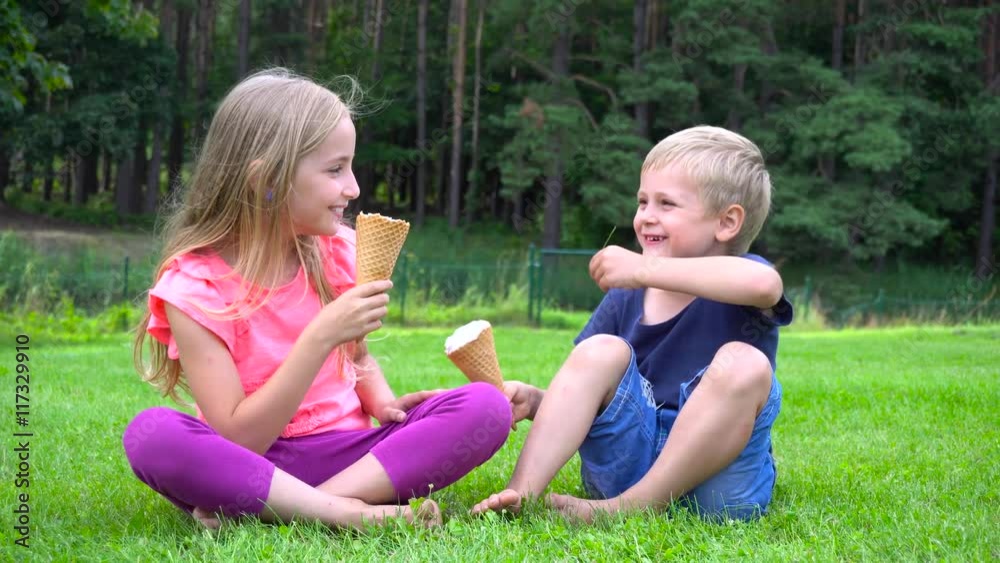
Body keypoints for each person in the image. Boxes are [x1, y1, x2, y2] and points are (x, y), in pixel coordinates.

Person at [123, 68, 512, 531]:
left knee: (487, 407)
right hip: (250, 465)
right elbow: (239, 439)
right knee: (151, 436)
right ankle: (344, 514)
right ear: (267, 179)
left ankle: (297, 510)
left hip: (350, 457)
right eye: (335, 169)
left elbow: (358, 356)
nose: (354, 187)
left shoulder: (338, 252)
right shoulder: (195, 289)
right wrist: (321, 335)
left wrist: (384, 402)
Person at [473, 125, 794, 522]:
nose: (646, 217)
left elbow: (766, 286)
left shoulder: (745, 278)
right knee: (598, 351)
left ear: (726, 223)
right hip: (628, 457)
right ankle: (521, 494)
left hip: (718, 482)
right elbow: (592, 391)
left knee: (745, 363)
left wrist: (645, 269)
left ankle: (635, 508)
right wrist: (539, 401)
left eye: (666, 204)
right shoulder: (627, 295)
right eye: (643, 201)